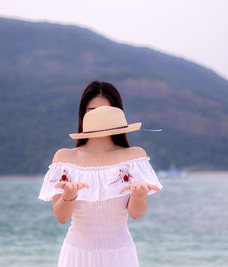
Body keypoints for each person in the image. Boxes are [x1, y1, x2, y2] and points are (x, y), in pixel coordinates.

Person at [38, 81, 163, 267]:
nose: (99, 116)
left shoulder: (134, 157)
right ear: (83, 114)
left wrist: (138, 194)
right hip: (76, 254)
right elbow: (61, 217)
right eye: (92, 110)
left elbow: (136, 214)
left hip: (119, 255)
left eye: (106, 110)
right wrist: (69, 196)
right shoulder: (64, 158)